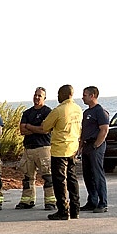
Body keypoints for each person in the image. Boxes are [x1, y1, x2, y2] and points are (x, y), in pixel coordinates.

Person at [29, 84, 82, 220]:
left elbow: (45, 127)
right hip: (73, 148)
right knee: (72, 179)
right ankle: (75, 209)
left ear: (64, 94)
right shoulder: (78, 109)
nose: (57, 97)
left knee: (59, 182)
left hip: (60, 150)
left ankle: (63, 211)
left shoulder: (59, 110)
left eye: (59, 94)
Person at [16, 87, 56, 210]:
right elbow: (22, 130)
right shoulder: (27, 113)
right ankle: (27, 201)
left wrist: (29, 126)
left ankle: (50, 202)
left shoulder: (48, 112)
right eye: (35, 95)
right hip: (29, 148)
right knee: (28, 177)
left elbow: (45, 130)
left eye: (40, 96)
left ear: (44, 98)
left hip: (43, 148)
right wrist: (36, 128)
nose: (37, 97)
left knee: (48, 176)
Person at [79, 86, 109, 213]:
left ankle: (103, 203)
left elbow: (104, 130)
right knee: (87, 175)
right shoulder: (86, 113)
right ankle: (92, 201)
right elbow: (83, 131)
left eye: (85, 95)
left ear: (92, 96)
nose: (82, 97)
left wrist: (96, 145)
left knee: (97, 174)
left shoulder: (100, 111)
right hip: (86, 145)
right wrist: (80, 146)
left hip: (95, 145)